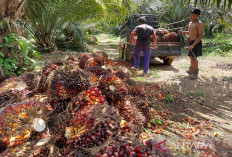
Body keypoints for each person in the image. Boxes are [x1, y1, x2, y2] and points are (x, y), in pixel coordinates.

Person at [179, 8, 204, 80]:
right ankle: (191, 69)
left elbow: (200, 36)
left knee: (194, 58)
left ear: (198, 16)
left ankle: (195, 73)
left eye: (195, 16)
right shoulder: (190, 23)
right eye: (192, 15)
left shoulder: (199, 24)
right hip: (191, 41)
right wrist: (183, 32)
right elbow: (190, 32)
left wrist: (193, 45)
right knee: (190, 56)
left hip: (196, 42)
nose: (192, 17)